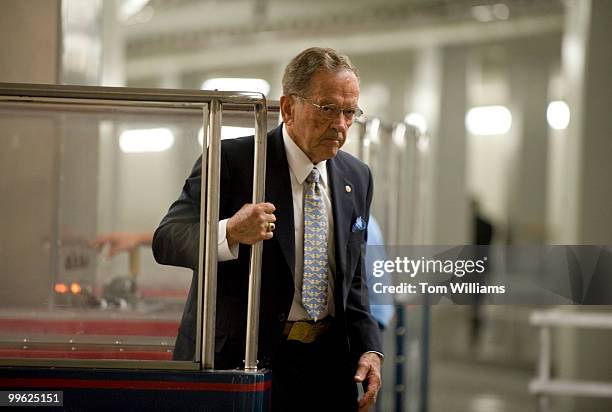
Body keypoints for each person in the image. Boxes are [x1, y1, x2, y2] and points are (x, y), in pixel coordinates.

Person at [153, 47, 383, 411]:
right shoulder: (234, 161)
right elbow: (166, 239)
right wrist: (229, 231)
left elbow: (353, 280)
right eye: (327, 109)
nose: (340, 124)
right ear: (289, 108)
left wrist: (370, 348)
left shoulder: (357, 176)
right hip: (243, 363)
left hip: (327, 367)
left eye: (349, 112)